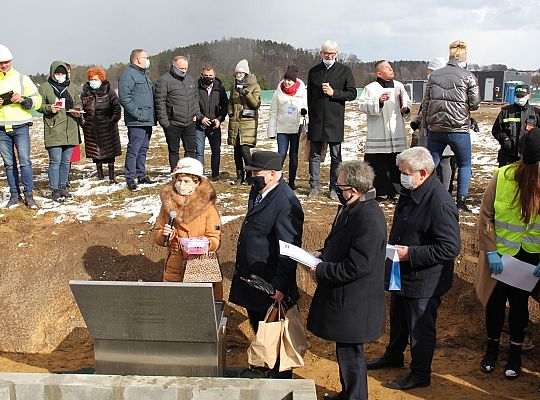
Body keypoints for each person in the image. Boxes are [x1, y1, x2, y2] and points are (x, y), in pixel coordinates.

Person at [367, 147, 461, 390]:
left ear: (422, 173)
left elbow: (450, 247)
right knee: (398, 317)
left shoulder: (439, 202)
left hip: (424, 279)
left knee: (420, 327)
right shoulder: (411, 191)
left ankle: (420, 373)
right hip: (402, 272)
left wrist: (411, 254)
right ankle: (394, 355)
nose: (401, 176)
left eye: (405, 172)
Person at [307, 160, 386, 400]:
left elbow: (359, 265)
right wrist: (324, 253)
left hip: (355, 301)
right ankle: (348, 393)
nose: (337, 191)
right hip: (347, 299)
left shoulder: (369, 217)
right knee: (345, 351)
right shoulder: (353, 208)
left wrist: (322, 270)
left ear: (353, 189)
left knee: (352, 355)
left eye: (340, 187)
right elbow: (344, 244)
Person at [228, 150, 304, 378]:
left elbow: (289, 248)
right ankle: (263, 367)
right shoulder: (259, 190)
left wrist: (280, 285)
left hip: (270, 283)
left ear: (272, 174)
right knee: (259, 325)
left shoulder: (286, 203)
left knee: (274, 330)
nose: (252, 175)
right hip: (254, 279)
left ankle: (279, 377)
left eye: (255, 172)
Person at [476, 128, 540, 379]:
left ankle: (515, 354)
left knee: (519, 306)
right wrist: (490, 251)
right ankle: (491, 349)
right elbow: (485, 215)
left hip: (529, 258)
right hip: (501, 257)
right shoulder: (502, 176)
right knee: (494, 304)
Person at [423, 40, 481, 212]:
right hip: (458, 128)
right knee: (464, 164)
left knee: (432, 163)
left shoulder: (434, 76)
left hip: (437, 127)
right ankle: (461, 201)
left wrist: (426, 124)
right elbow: (475, 103)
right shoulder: (469, 76)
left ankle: (426, 196)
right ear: (464, 58)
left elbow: (426, 102)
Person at [153, 157, 222, 300]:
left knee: (199, 305)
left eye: (186, 181)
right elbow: (158, 236)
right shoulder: (167, 206)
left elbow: (215, 239)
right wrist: (166, 235)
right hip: (175, 264)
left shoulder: (208, 207)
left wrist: (204, 244)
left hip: (200, 263)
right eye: (178, 180)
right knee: (173, 304)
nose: (181, 184)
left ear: (197, 182)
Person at [307, 40, 357, 199]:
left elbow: (352, 94)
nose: (329, 56)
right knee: (314, 155)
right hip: (316, 120)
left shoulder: (344, 71)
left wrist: (334, 93)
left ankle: (334, 187)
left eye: (332, 54)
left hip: (335, 120)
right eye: (326, 53)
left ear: (337, 54)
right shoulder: (314, 71)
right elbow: (310, 97)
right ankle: (314, 186)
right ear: (321, 53)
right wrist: (310, 115)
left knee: (336, 156)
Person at [359, 60, 412, 199]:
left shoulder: (399, 86)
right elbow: (362, 105)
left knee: (395, 163)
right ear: (379, 73)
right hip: (378, 133)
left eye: (391, 68)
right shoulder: (371, 88)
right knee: (377, 164)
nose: (391, 70)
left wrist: (405, 108)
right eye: (387, 68)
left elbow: (407, 101)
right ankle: (377, 191)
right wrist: (378, 101)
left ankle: (395, 191)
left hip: (396, 130)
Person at [0, 44, 42, 209]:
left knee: (25, 162)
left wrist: (24, 100)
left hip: (21, 127)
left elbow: (37, 100)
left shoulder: (21, 78)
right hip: (1, 129)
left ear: (11, 60)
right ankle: (14, 195)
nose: (4, 65)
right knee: (9, 164)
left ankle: (29, 196)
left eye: (6, 61)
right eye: (0, 62)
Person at [411, 57, 457, 194]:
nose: (428, 74)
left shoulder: (438, 88)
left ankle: (438, 192)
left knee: (440, 162)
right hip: (439, 129)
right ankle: (437, 191)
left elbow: (429, 107)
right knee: (439, 162)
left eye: (430, 70)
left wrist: (420, 120)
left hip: (436, 130)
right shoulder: (445, 86)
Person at [38, 61, 82, 202]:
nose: (60, 76)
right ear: (52, 73)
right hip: (54, 128)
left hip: (71, 129)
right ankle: (54, 189)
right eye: (57, 73)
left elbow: (78, 103)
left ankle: (63, 186)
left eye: (63, 73)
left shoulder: (73, 87)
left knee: (65, 161)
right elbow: (39, 106)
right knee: (55, 161)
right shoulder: (45, 88)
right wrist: (49, 108)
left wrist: (78, 110)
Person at [155, 56, 202, 171]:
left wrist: (195, 113)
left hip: (190, 122)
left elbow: (195, 98)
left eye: (186, 68)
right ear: (174, 66)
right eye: (181, 68)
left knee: (191, 150)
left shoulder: (190, 79)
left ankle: (189, 173)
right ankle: (175, 174)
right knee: (174, 151)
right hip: (173, 123)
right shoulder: (164, 80)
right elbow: (159, 102)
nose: (184, 70)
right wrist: (165, 123)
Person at [118, 49, 156, 191]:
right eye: (146, 57)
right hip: (137, 121)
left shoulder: (143, 75)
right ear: (137, 59)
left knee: (143, 149)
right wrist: (138, 114)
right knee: (134, 149)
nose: (147, 60)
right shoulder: (128, 75)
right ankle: (130, 177)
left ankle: (142, 175)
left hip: (147, 120)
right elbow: (125, 98)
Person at [267, 65, 308, 190]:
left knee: (294, 155)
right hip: (282, 129)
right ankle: (277, 178)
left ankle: (292, 181)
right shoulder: (277, 93)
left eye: (289, 80)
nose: (286, 82)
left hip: (296, 128)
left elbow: (308, 108)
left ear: (294, 81)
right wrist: (271, 131)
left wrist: (304, 113)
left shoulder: (302, 92)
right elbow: (273, 113)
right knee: (281, 154)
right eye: (285, 79)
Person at [80, 67, 122, 184]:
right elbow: (81, 111)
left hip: (107, 128)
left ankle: (112, 176)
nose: (93, 81)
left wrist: (110, 122)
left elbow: (117, 109)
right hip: (91, 129)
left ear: (102, 79)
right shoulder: (85, 94)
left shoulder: (110, 92)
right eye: (91, 79)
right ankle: (100, 175)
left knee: (109, 153)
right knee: (96, 154)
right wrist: (83, 123)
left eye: (96, 79)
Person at [227, 59, 261, 185]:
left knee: (245, 151)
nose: (239, 75)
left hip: (248, 123)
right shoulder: (233, 86)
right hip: (235, 122)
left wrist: (246, 93)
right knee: (236, 151)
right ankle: (239, 175)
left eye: (241, 73)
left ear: (246, 73)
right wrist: (230, 112)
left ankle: (250, 175)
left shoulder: (255, 86)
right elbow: (230, 101)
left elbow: (255, 104)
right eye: (237, 73)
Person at [492, 84, 540, 167]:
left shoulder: (536, 113)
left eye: (522, 96)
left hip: (527, 158)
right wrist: (504, 139)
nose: (519, 98)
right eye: (517, 96)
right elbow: (496, 130)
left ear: (529, 96)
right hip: (507, 156)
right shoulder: (505, 111)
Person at [195, 65, 228, 180]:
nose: (208, 78)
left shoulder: (220, 88)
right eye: (206, 76)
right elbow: (194, 105)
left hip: (214, 125)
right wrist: (201, 118)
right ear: (202, 75)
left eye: (211, 76)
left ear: (214, 76)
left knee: (216, 151)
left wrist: (219, 119)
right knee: (199, 152)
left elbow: (225, 106)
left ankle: (215, 174)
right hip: (200, 125)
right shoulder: (196, 88)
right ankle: (200, 175)